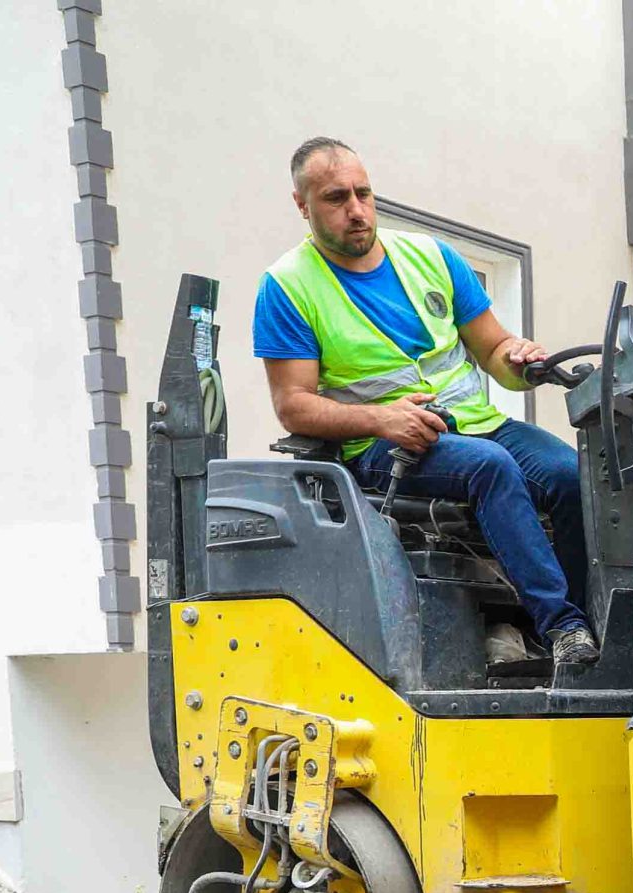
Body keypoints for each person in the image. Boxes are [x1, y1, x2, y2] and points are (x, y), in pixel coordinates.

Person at [254, 137, 598, 669]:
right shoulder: (288, 286)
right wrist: (382, 419)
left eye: (364, 194)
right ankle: (565, 629)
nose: (356, 210)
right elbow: (293, 406)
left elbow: (493, 350)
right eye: (336, 198)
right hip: (380, 445)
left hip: (477, 423)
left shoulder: (433, 257)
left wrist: (520, 357)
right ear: (302, 206)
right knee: (491, 468)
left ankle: (562, 625)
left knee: (571, 476)